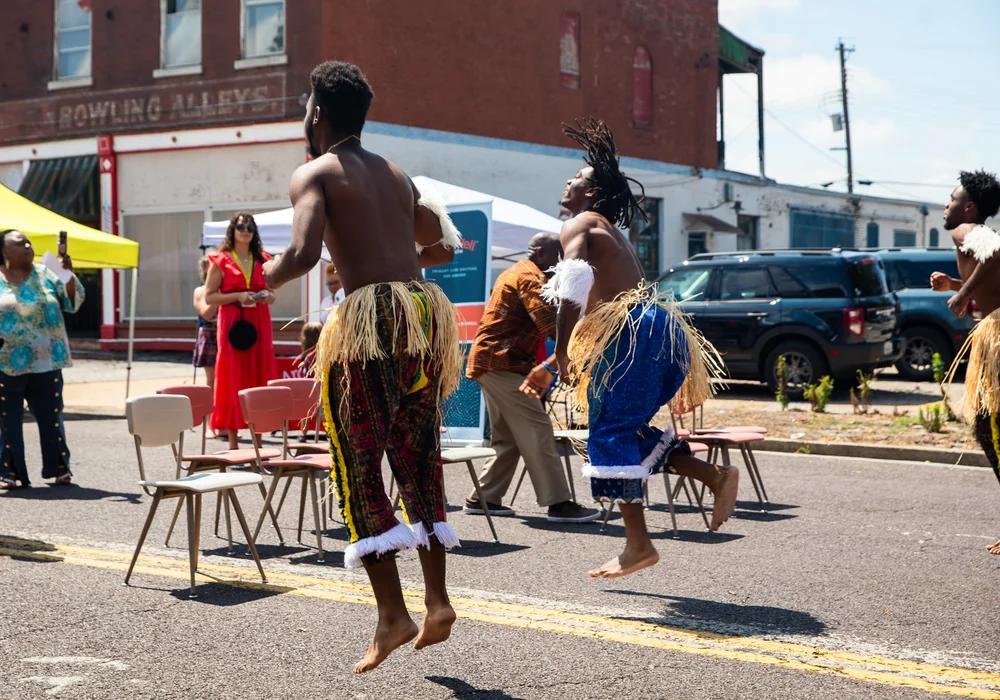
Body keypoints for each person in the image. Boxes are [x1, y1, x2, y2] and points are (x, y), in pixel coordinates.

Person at [262, 61, 462, 673]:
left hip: (371, 324)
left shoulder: (314, 173)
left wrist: (255, 281)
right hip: (422, 317)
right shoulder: (396, 173)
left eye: (304, 108)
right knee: (419, 458)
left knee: (356, 462)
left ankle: (391, 615)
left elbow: (299, 253)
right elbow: (439, 238)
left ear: (317, 113)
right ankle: (437, 599)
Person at [541, 119, 739, 578]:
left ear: (590, 194)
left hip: (631, 336)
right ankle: (714, 477)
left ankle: (638, 545)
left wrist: (563, 353)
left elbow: (572, 288)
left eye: (577, 178)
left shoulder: (581, 223)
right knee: (624, 431)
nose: (569, 182)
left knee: (608, 433)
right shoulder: (608, 228)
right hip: (658, 333)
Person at [464, 232, 600, 523]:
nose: (563, 264)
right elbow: (554, 326)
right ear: (540, 254)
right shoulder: (532, 278)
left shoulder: (515, 271)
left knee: (509, 436)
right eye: (559, 257)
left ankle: (483, 498)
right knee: (538, 428)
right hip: (502, 362)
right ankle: (559, 503)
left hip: (494, 361)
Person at [930, 169, 1000, 555]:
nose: (946, 205)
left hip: (997, 334)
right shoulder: (970, 236)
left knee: (989, 427)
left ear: (969, 206)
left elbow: (999, 250)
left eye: (951, 199)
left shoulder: (965, 230)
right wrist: (956, 286)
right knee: (989, 426)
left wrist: (962, 296)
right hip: (994, 330)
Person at [0, 229, 84, 489]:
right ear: (4, 252)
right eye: (19, 243)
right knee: (7, 419)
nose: (27, 246)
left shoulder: (48, 271)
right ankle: (10, 473)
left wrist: (68, 274)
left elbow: (73, 303)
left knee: (51, 416)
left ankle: (59, 468)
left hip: (48, 360)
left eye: (28, 242)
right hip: (6, 362)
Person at [204, 213, 279, 450]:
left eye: (249, 227)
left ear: (254, 231)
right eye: (240, 226)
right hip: (232, 322)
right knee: (231, 377)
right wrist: (237, 295)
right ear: (233, 231)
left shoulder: (264, 260)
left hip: (259, 321)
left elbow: (273, 293)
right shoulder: (220, 260)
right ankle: (234, 445)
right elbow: (209, 296)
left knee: (259, 376)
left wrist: (266, 297)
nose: (245, 230)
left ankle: (258, 443)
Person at [192, 255, 219, 437]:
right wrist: (218, 295)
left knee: (226, 382)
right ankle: (210, 425)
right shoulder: (200, 291)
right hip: (209, 335)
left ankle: (223, 423)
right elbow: (207, 313)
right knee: (211, 383)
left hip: (225, 334)